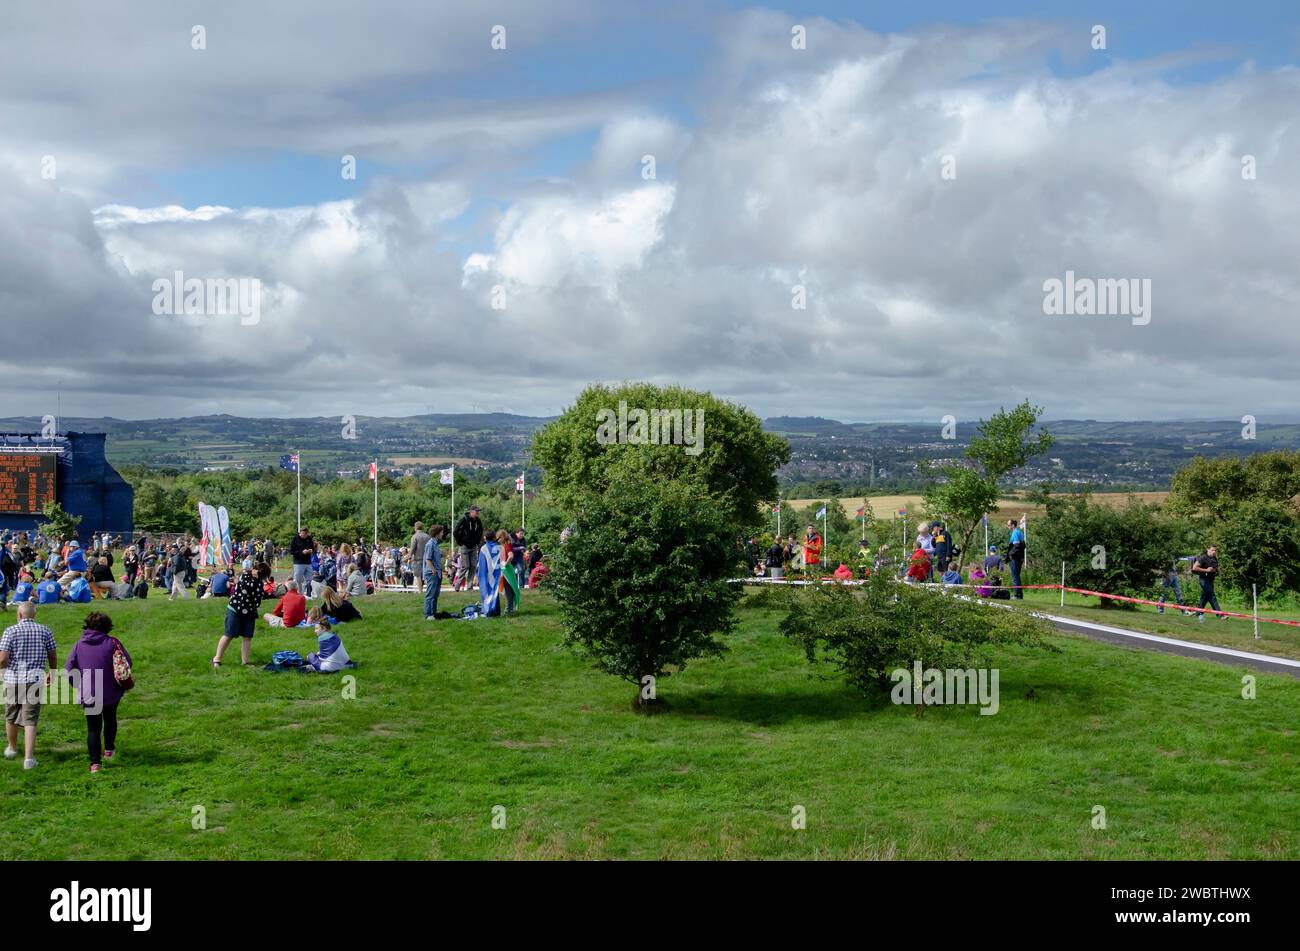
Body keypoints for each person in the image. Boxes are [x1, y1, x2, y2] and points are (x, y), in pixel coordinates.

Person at [63, 611, 132, 774]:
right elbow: (127, 662)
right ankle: (109, 749)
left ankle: (95, 763)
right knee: (110, 719)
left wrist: (78, 684)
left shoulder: (79, 644)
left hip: (89, 691)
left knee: (93, 728)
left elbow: (69, 668)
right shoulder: (112, 642)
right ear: (107, 626)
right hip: (111, 690)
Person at [0, 602, 57, 769]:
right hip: (34, 679)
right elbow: (52, 655)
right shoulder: (45, 631)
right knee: (30, 719)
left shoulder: (10, 631)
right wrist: (52, 672)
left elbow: (3, 659)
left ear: (19, 614)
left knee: (11, 715)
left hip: (13, 678)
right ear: (34, 615)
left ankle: (12, 748)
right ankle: (29, 759)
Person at [212, 560, 263, 667]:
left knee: (247, 637)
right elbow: (246, 590)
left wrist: (257, 581)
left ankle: (245, 662)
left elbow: (258, 598)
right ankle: (217, 659)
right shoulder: (244, 576)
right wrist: (254, 579)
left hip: (249, 611)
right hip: (235, 609)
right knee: (229, 634)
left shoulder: (260, 582)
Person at [453, 505, 484, 591]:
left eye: (478, 511)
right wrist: (460, 542)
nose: (477, 513)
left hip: (474, 546)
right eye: (476, 511)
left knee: (473, 566)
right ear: (471, 511)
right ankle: (457, 585)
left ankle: (470, 586)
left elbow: (480, 532)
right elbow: (455, 532)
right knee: (465, 566)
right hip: (465, 546)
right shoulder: (464, 520)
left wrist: (478, 543)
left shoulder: (478, 521)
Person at [1191, 545, 1223, 622]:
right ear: (1207, 550)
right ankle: (1220, 615)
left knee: (1204, 598)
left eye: (1215, 550)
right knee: (1212, 596)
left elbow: (1215, 568)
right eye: (1212, 550)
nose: (1214, 552)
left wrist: (1217, 570)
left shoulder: (1214, 558)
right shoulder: (1203, 558)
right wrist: (1206, 570)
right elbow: (1194, 567)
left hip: (1211, 580)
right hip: (1204, 580)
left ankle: (1198, 613)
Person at [423, 525, 445, 620]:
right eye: (441, 532)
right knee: (430, 594)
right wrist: (433, 570)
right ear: (437, 533)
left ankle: (433, 612)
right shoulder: (430, 544)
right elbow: (428, 559)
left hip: (437, 572)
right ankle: (428, 613)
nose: (442, 534)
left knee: (436, 594)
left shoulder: (435, 544)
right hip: (432, 573)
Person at [289, 528, 315, 597]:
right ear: (300, 533)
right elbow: (291, 551)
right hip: (299, 562)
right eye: (303, 534)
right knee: (298, 580)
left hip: (308, 562)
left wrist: (311, 550)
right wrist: (301, 552)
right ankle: (298, 594)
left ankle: (308, 594)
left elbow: (312, 547)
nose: (305, 535)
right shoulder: (295, 539)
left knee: (309, 579)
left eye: (306, 534)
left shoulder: (309, 539)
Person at [1006, 519, 1026, 600]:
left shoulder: (1015, 533)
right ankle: (1019, 595)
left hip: (1015, 559)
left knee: (1014, 577)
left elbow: (1017, 546)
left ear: (1013, 525)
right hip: (1020, 558)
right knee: (1017, 577)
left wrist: (1011, 554)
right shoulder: (1020, 532)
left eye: (1009, 525)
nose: (1008, 526)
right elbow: (1023, 545)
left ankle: (1016, 595)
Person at [410, 522, 432, 594]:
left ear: (415, 527)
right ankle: (429, 590)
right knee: (427, 576)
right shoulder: (428, 536)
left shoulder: (414, 537)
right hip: (427, 559)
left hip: (417, 559)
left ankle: (420, 591)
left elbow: (413, 548)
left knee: (418, 576)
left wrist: (409, 556)